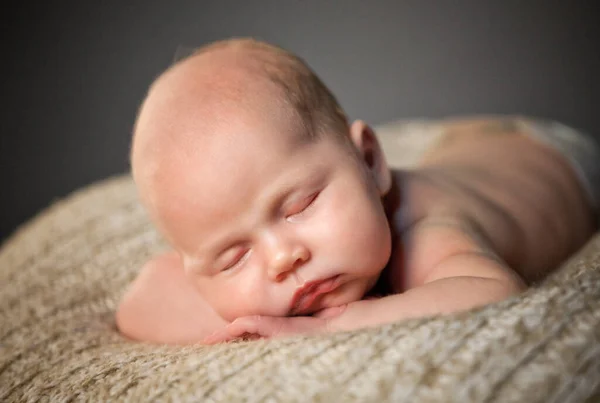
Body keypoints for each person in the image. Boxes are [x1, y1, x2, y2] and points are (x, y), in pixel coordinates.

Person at [115, 38, 598, 345]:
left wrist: (326, 325)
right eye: (232, 256)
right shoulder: (228, 262)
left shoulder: (425, 230)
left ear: (370, 160)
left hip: (550, 156)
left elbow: (492, 291)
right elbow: (140, 302)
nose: (284, 258)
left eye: (300, 204)